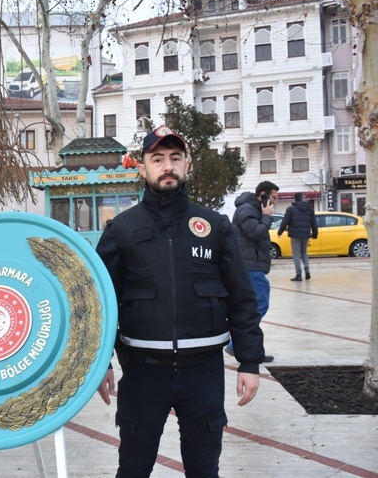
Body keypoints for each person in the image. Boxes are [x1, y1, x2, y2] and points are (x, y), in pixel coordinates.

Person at [95, 125, 265, 478]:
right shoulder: (121, 230)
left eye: (175, 157)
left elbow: (242, 298)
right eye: (157, 159)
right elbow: (99, 303)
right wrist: (101, 363)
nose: (167, 166)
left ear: (188, 164)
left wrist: (250, 362)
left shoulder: (215, 226)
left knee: (204, 469)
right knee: (133, 468)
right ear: (143, 168)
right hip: (142, 372)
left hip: (203, 372)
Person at [229, 180, 279, 363]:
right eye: (273, 197)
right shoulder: (246, 210)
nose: (275, 201)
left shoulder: (252, 209)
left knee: (254, 307)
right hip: (250, 267)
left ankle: (243, 346)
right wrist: (267, 216)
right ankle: (237, 344)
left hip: (253, 265)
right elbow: (256, 232)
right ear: (263, 195)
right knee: (258, 305)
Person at [278, 192, 318, 282]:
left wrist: (280, 232)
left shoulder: (291, 209)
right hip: (306, 235)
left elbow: (285, 222)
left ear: (295, 199)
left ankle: (298, 274)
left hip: (295, 235)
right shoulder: (310, 209)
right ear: (302, 198)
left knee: (296, 254)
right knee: (304, 252)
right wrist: (315, 234)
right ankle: (307, 270)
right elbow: (314, 223)